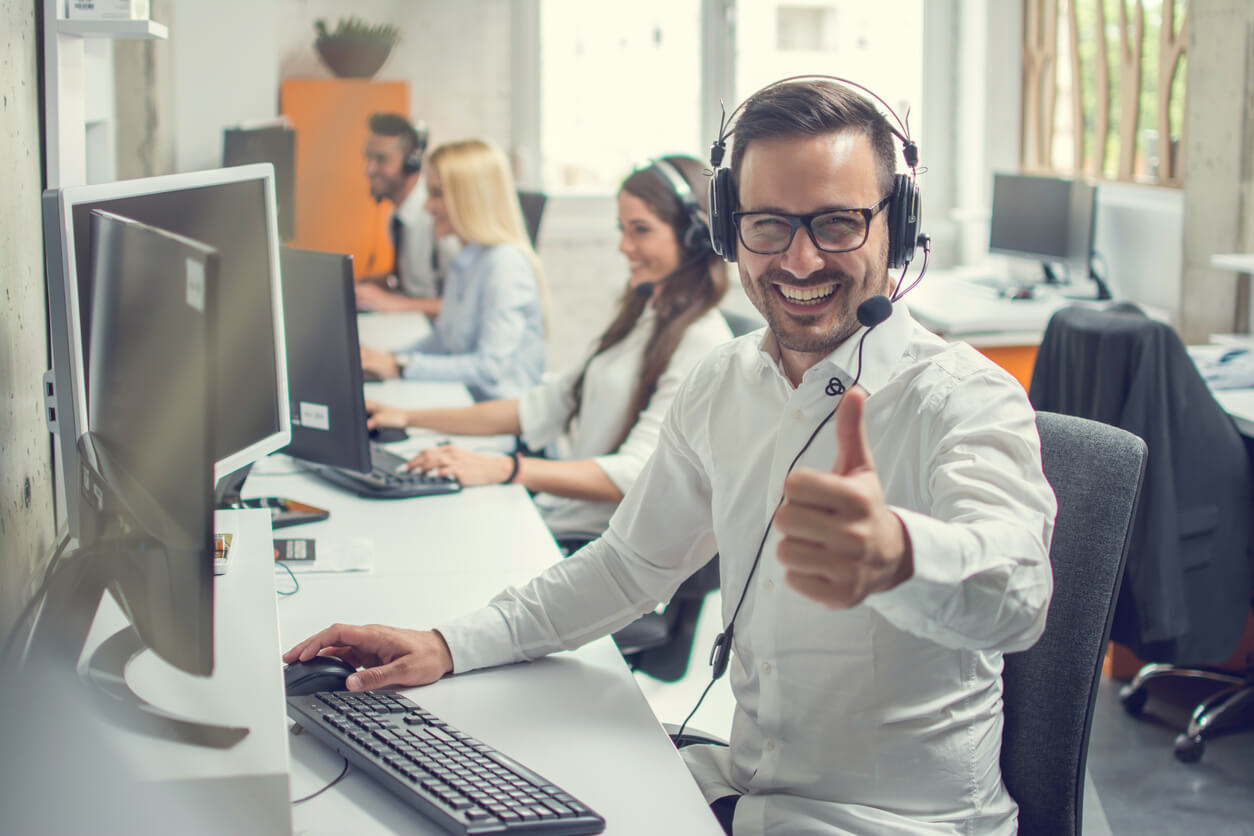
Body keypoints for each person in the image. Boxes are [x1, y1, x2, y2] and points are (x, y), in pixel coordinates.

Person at [287, 79, 1057, 834]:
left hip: (891, 823)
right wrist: (448, 644)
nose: (796, 260)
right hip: (741, 793)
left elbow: (1017, 595)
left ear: (899, 224)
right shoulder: (723, 380)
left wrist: (899, 558)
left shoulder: (963, 398)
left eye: (837, 223)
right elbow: (627, 567)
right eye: (766, 224)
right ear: (730, 229)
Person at [365, 155, 733, 543]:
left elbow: (634, 472)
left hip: (595, 545)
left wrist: (506, 469)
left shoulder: (701, 342)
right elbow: (541, 405)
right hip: (561, 517)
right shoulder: (644, 314)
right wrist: (408, 417)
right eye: (621, 229)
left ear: (696, 235)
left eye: (640, 230)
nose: (624, 246)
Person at [359, 138, 548, 402]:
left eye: (437, 194)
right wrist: (391, 357)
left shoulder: (504, 264)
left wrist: (403, 367)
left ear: (470, 199)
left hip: (499, 425)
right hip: (464, 402)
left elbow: (488, 369)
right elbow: (444, 341)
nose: (427, 206)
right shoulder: (467, 259)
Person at [355, 112, 461, 315]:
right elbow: (408, 280)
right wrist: (365, 287)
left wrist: (393, 303)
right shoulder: (396, 218)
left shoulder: (438, 219)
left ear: (410, 163)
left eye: (381, 159)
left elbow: (462, 305)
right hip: (411, 319)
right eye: (368, 157)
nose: (368, 169)